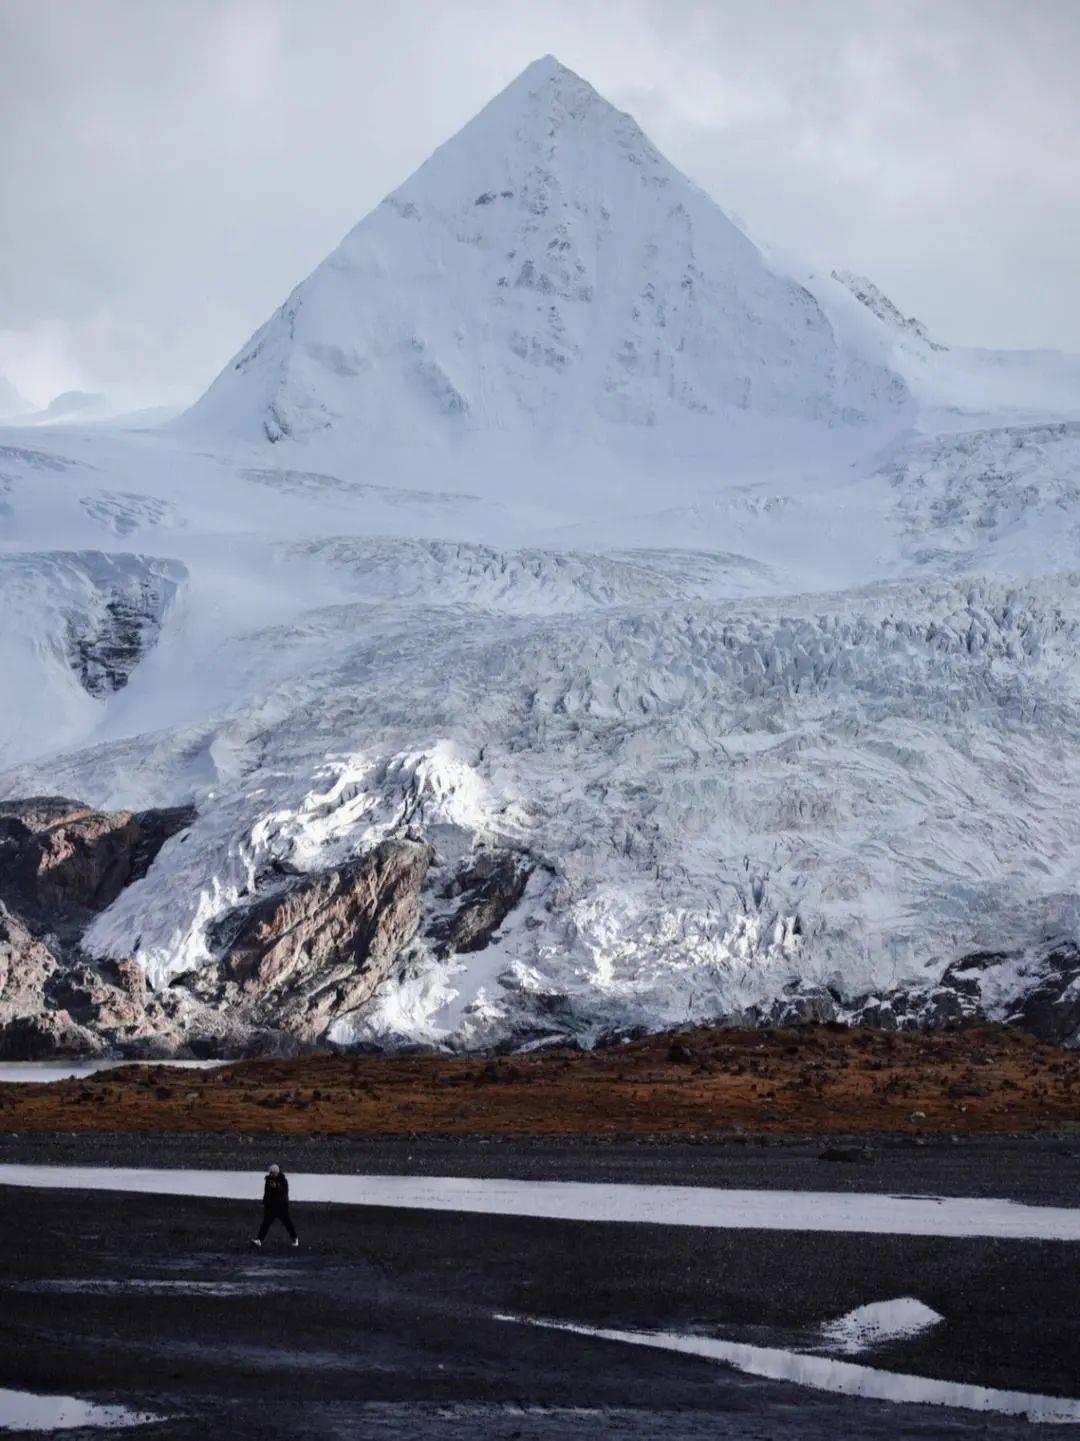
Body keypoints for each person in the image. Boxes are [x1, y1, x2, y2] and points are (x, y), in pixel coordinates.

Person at [251, 1163, 299, 1248]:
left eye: (273, 1173)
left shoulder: (283, 1180)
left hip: (281, 1206)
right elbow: (267, 1193)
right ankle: (259, 1240)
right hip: (270, 1206)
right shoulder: (268, 1180)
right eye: (271, 1173)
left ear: (277, 1172)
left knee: (287, 1223)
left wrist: (276, 1187)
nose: (272, 1174)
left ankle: (295, 1238)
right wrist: (264, 1202)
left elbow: (284, 1192)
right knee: (265, 1223)